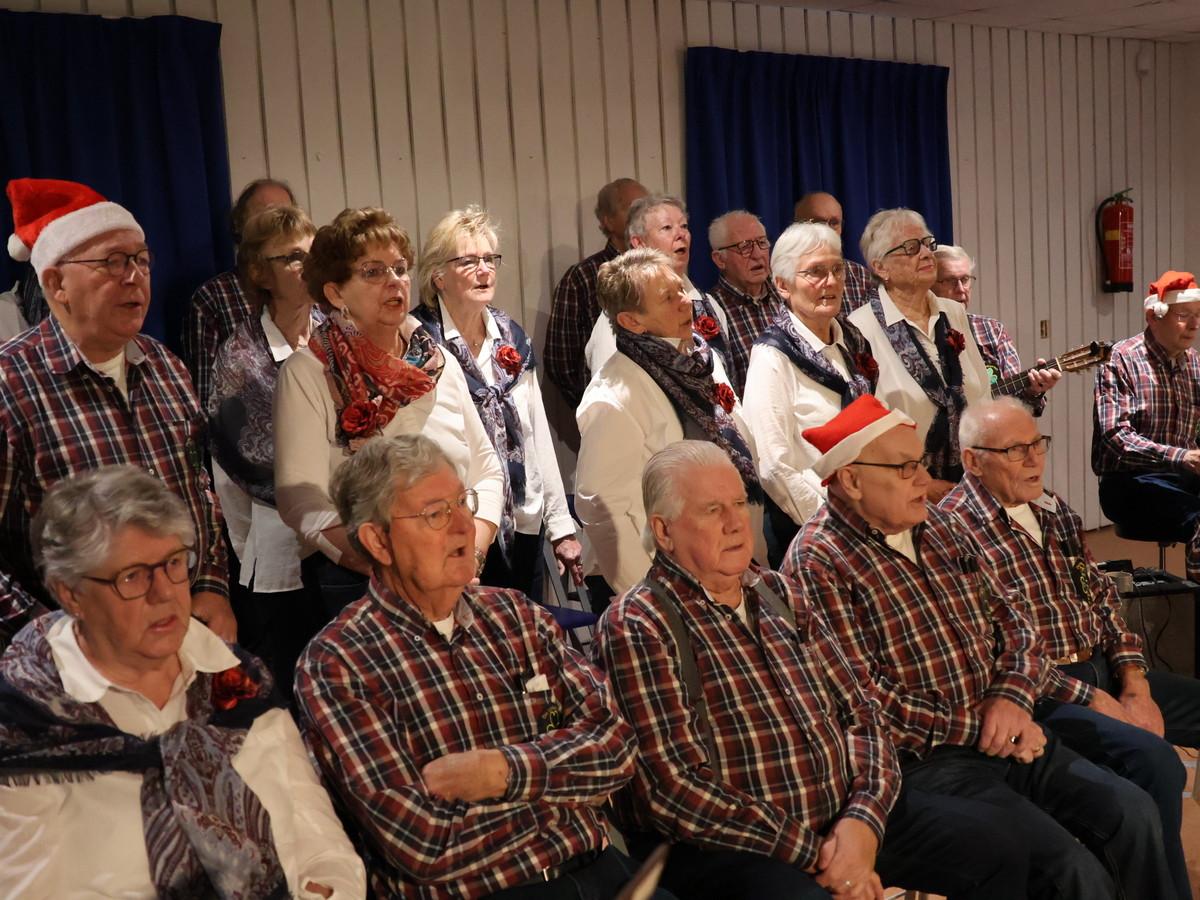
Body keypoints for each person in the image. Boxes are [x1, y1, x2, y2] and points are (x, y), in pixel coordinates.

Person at [594, 440, 1030, 900]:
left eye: (740, 503)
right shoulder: (639, 624)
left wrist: (863, 820)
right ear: (664, 531)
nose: (736, 522)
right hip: (738, 848)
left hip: (844, 820)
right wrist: (819, 853)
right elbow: (674, 790)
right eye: (712, 510)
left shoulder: (777, 592)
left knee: (999, 848)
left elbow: (862, 713)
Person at [783, 395, 1174, 900]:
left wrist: (1011, 699)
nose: (925, 480)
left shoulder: (938, 526)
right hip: (928, 760)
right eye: (906, 468)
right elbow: (864, 700)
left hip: (1008, 723)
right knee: (1068, 870)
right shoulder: (817, 562)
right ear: (851, 480)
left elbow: (1016, 622)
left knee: (1131, 813)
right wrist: (990, 724)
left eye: (921, 463)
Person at [294, 434, 650, 899]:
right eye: (436, 514)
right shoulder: (339, 663)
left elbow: (617, 747)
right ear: (378, 541)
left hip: (602, 871)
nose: (466, 527)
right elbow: (424, 845)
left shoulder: (514, 615)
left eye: (463, 502)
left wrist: (499, 771)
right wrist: (563, 788)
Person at [0, 465, 365, 898]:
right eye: (132, 576)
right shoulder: (24, 721)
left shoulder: (233, 678)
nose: (165, 593)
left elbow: (319, 838)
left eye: (173, 563)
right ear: (71, 594)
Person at [942, 396, 1200, 900]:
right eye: (1015, 450)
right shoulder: (951, 531)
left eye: (1037, 444)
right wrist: (1096, 699)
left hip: (1105, 670)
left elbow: (1102, 599)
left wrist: (1135, 683)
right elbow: (992, 648)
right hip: (1043, 693)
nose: (1034, 459)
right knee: (1155, 763)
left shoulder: (1053, 509)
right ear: (973, 460)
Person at [0, 177, 235, 645]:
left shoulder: (165, 366)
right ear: (57, 283)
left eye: (141, 260)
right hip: (77, 652)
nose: (135, 276)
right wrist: (50, 637)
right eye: (112, 262)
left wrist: (211, 584)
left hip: (182, 632)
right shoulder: (10, 384)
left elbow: (198, 489)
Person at [273, 207, 504, 618]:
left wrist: (471, 554)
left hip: (455, 573)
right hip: (362, 584)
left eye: (399, 269)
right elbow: (301, 498)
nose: (395, 281)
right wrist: (390, 566)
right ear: (335, 294)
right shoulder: (308, 373)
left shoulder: (438, 362)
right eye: (373, 272)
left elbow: (487, 470)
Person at [412, 206, 582, 593]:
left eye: (490, 259)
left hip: (523, 520)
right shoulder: (418, 343)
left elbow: (535, 431)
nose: (484, 270)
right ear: (438, 275)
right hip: (455, 523)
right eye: (468, 261)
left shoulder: (511, 336)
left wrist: (560, 526)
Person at [576, 247, 765, 594]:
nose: (685, 302)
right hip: (656, 580)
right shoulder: (613, 396)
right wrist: (654, 597)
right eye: (668, 298)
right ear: (632, 321)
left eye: (681, 289)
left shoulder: (700, 361)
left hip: (720, 563)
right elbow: (602, 510)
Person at [207, 205, 325, 700]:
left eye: (311, 254)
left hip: (355, 545)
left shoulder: (341, 333)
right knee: (293, 690)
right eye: (292, 257)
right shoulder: (241, 358)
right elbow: (239, 471)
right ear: (260, 273)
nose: (306, 266)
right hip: (282, 555)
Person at [742, 222, 877, 555]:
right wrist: (834, 523)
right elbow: (773, 466)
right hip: (813, 531)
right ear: (782, 285)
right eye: (816, 272)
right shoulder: (772, 356)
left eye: (836, 269)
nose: (830, 282)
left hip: (867, 514)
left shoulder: (852, 340)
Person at [846, 208, 992, 499]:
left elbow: (983, 394)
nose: (926, 254)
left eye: (927, 243)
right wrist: (920, 482)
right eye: (911, 248)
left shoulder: (953, 312)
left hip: (973, 481)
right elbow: (867, 431)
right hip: (903, 491)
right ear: (880, 268)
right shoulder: (859, 328)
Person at [1093, 269, 1200, 581]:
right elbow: (1116, 436)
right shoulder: (1121, 360)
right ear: (1154, 316)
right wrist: (1181, 456)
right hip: (1129, 483)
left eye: (1197, 315)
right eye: (1183, 315)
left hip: (1183, 477)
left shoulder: (1193, 362)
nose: (1194, 325)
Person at [584, 194, 730, 379]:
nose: (681, 234)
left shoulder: (710, 305)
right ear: (639, 243)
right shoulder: (621, 318)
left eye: (684, 226)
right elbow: (613, 382)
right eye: (667, 227)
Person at [181, 177, 295, 408]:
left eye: (285, 216)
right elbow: (206, 398)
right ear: (239, 225)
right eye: (266, 214)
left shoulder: (312, 290)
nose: (276, 226)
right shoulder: (212, 297)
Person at [544, 177, 647, 409]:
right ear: (608, 221)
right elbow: (560, 361)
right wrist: (593, 404)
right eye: (633, 207)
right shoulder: (583, 277)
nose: (642, 215)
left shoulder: (662, 272)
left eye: (647, 207)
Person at [933, 244, 1051, 414]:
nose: (961, 289)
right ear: (929, 285)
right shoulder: (916, 333)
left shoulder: (991, 330)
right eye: (950, 281)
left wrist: (1033, 391)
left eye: (965, 279)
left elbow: (1019, 402)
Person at [706, 210, 786, 396]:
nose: (757, 254)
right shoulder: (711, 312)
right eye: (744, 247)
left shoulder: (787, 292)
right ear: (720, 259)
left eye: (762, 242)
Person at [793, 192, 875, 314]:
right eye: (819, 223)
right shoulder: (787, 274)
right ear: (798, 226)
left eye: (834, 223)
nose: (828, 230)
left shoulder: (860, 276)